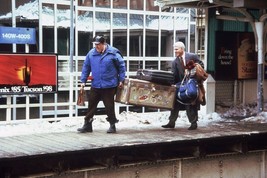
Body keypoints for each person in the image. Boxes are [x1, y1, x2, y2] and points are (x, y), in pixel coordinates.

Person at [77, 35, 126, 133]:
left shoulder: (113, 53)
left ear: (104, 43)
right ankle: (87, 125)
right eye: (95, 44)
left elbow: (121, 67)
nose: (96, 47)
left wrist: (121, 80)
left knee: (109, 106)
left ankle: (112, 125)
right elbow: (86, 67)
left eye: (98, 44)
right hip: (96, 84)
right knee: (91, 105)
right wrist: (83, 81)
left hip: (109, 85)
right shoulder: (91, 54)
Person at [162, 41, 204, 130]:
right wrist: (173, 85)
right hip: (181, 84)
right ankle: (171, 122)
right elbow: (174, 75)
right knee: (175, 102)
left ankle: (193, 123)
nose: (175, 51)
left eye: (176, 49)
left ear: (181, 49)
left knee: (190, 103)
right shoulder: (175, 62)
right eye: (174, 49)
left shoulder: (192, 56)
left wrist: (192, 69)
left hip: (192, 84)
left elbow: (201, 65)